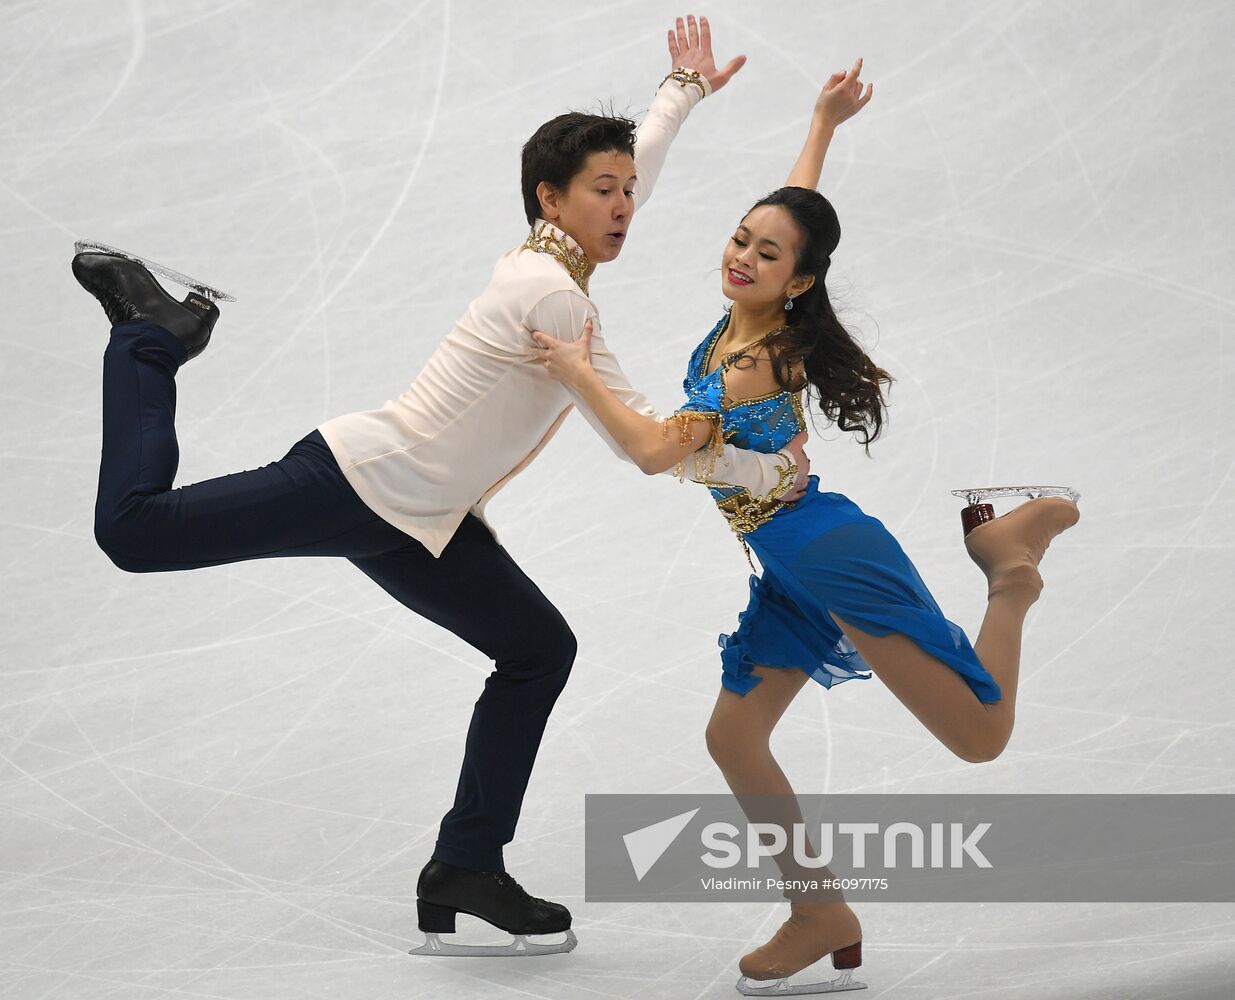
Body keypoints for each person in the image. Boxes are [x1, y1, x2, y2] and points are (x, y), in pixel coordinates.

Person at [70, 15, 804, 959]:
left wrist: (680, 91)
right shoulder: (553, 296)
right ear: (552, 198)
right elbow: (651, 449)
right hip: (355, 481)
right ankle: (149, 334)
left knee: (538, 650)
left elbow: (635, 167)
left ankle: (466, 866)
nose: (626, 206)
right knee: (133, 530)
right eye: (604, 191)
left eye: (628, 190)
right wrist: (736, 434)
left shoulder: (559, 256)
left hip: (421, 520)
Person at [532, 57, 1080, 992]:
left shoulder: (756, 363)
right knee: (734, 739)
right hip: (780, 562)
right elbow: (797, 211)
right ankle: (818, 910)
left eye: (766, 254)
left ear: (799, 283)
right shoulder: (741, 317)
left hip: (826, 555)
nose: (742, 255)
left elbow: (657, 453)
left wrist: (575, 370)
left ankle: (1007, 570)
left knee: (980, 736)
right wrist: (821, 126)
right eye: (740, 238)